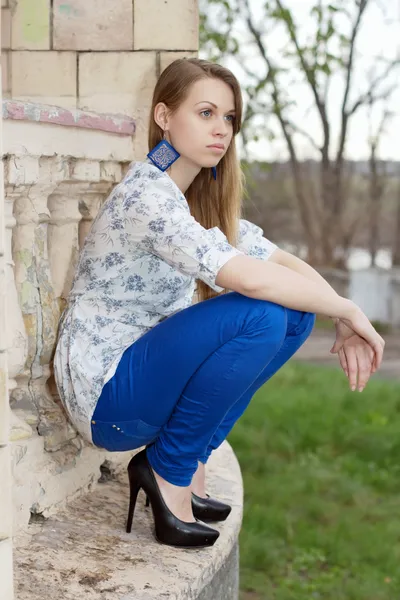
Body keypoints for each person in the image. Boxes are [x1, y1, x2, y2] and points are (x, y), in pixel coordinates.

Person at [53, 58, 385, 549]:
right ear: (164, 116)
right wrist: (351, 312)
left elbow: (282, 261)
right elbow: (250, 278)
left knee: (294, 315)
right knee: (260, 313)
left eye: (228, 118)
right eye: (206, 113)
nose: (221, 130)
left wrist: (334, 306)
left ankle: (188, 459)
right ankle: (169, 469)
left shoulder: (191, 202)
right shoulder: (148, 198)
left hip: (140, 381)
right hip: (106, 396)